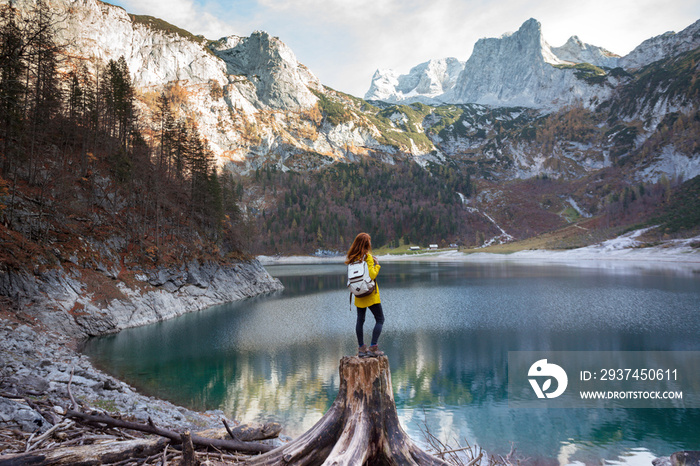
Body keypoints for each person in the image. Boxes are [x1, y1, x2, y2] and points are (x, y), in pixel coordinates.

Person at [345, 232, 385, 358]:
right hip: (370, 293)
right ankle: (373, 347)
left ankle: (362, 349)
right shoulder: (367, 256)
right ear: (367, 244)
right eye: (370, 241)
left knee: (360, 320)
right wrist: (377, 265)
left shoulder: (352, 257)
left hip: (358, 293)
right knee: (380, 319)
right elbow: (372, 275)